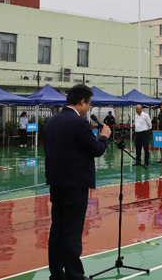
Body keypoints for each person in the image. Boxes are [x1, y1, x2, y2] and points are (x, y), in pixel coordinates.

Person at [45, 84, 110, 280]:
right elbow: (96, 149)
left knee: (57, 229)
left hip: (56, 183)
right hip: (75, 185)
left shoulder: (52, 121)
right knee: (72, 231)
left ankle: (57, 274)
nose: (88, 108)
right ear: (82, 102)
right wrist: (104, 137)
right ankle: (74, 275)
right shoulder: (79, 123)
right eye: (89, 104)